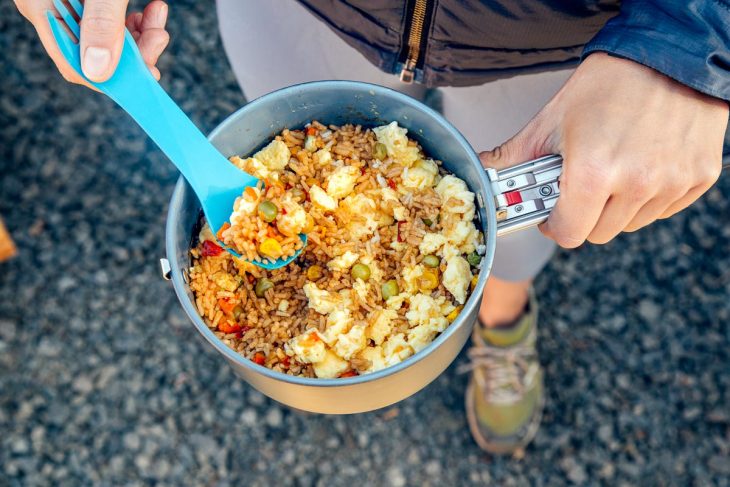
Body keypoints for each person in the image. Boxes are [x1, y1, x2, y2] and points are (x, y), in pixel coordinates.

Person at [14, 0, 729, 454]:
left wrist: (698, 30)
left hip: (561, 33)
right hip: (307, 12)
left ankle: (501, 310)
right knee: (306, 111)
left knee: (518, 215)